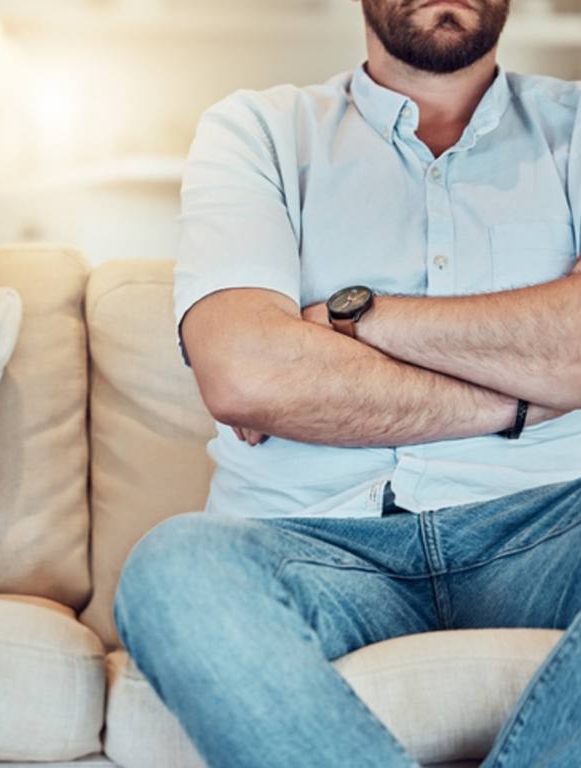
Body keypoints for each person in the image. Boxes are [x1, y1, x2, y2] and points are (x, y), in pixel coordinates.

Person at [114, 1, 581, 766]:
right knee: (175, 567)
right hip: (320, 540)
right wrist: (527, 394)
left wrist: (356, 319)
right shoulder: (257, 131)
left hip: (547, 530)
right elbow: (245, 373)